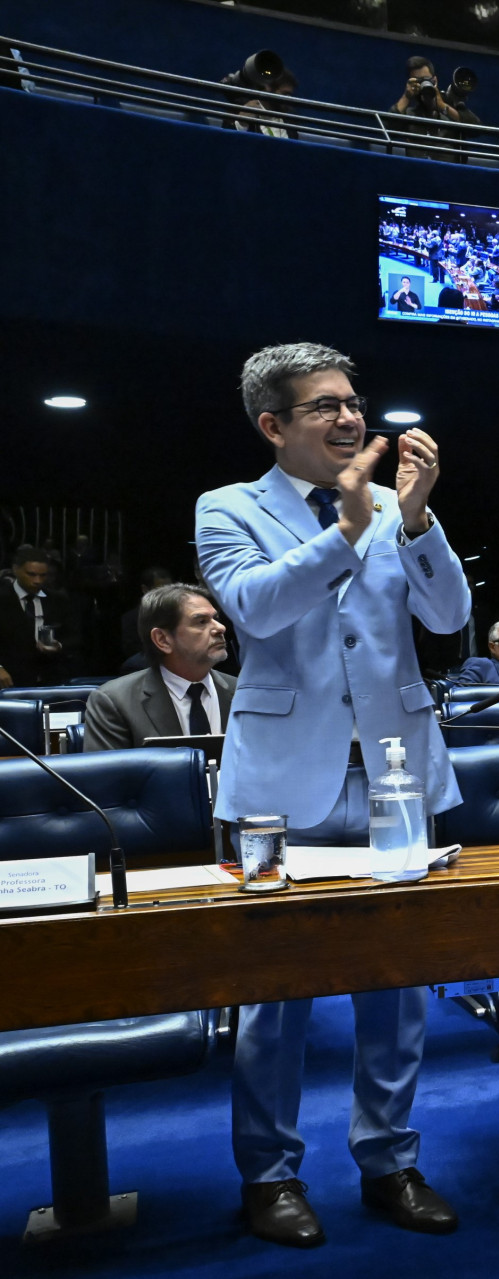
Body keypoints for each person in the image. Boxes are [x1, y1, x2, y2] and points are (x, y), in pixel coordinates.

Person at [195, 342, 467, 1247]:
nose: (352, 419)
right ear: (274, 425)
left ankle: (389, 1158)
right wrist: (348, 527)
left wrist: (417, 523)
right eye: (326, 407)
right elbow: (260, 609)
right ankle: (270, 1176)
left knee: (397, 983)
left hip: (394, 772)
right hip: (282, 784)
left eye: (355, 402)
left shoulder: (397, 506)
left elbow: (447, 618)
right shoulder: (228, 508)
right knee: (276, 995)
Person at [83, 583, 237, 749]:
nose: (220, 628)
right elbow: (110, 774)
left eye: (216, 619)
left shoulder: (245, 692)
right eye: (201, 622)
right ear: (162, 640)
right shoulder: (114, 702)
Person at [0, 544, 76, 687]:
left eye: (43, 575)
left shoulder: (58, 600)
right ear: (16, 570)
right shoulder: (2, 599)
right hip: (9, 681)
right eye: (31, 574)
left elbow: (74, 636)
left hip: (50, 678)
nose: (38, 581)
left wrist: (59, 645)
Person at [389, 56, 463, 160]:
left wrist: (442, 106)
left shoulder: (449, 115)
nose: (424, 84)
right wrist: (406, 96)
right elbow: (387, 127)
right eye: (419, 81)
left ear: (435, 80)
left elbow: (473, 128)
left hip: (445, 173)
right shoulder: (409, 115)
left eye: (426, 80)